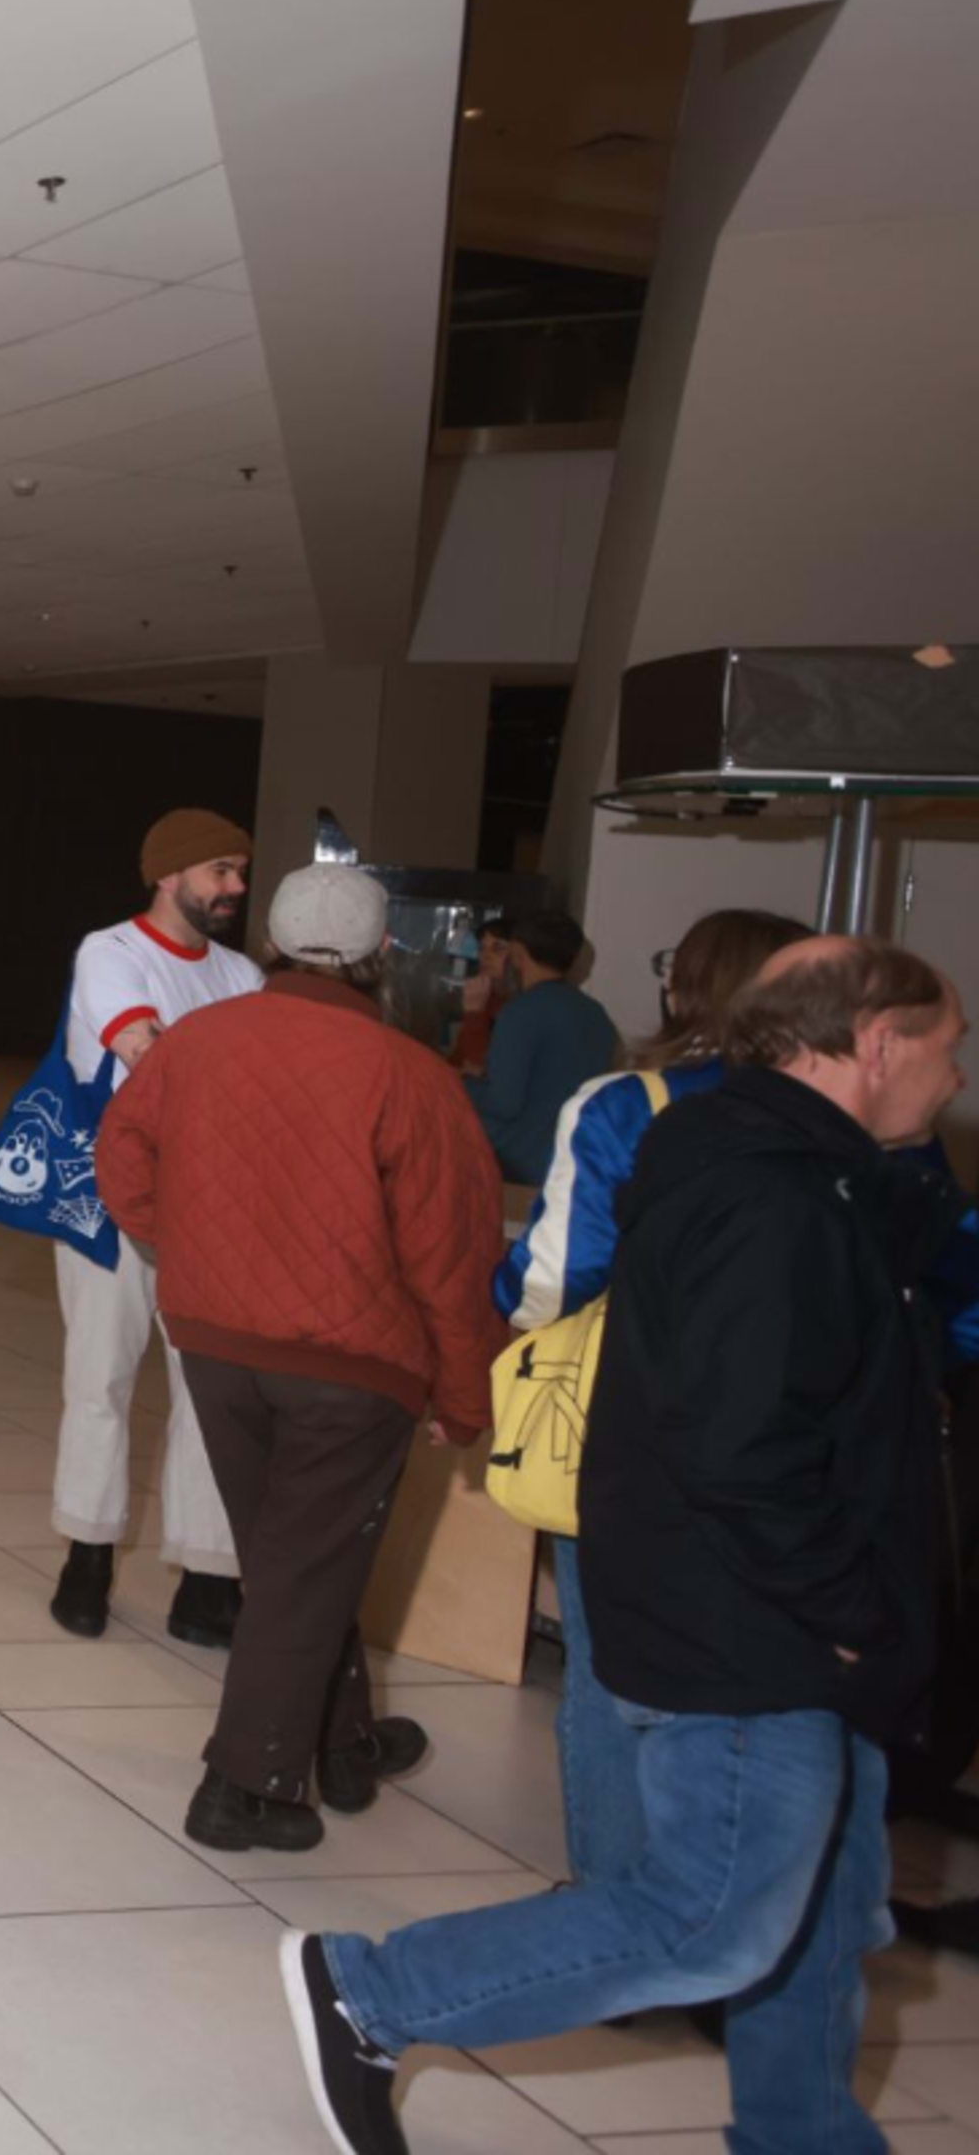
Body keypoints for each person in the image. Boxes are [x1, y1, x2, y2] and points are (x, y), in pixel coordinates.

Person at [286, 938, 968, 2155]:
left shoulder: (801, 1166)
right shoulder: (774, 1199)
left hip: (798, 1612)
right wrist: (849, 1616)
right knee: (709, 1917)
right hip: (763, 1627)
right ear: (876, 1044)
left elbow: (899, 1291)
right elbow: (740, 1450)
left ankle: (802, 2132)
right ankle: (372, 1992)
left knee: (821, 1909)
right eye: (945, 1044)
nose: (956, 1075)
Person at [98, 864, 501, 1856]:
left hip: (219, 1345)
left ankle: (342, 1740)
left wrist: (190, 1251)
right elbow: (452, 1257)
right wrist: (464, 1390)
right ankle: (244, 1784)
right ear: (380, 956)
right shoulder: (412, 1074)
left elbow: (120, 1162)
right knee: (302, 1568)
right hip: (353, 1367)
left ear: (272, 939)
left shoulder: (195, 1044)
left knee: (295, 1563)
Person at [497, 904, 811, 1889]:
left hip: (638, 1427)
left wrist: (502, 1295)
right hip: (795, 1430)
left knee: (608, 1661)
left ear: (689, 987)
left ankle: (621, 1901)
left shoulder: (631, 1103)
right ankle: (735, 1886)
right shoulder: (836, 1110)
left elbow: (556, 1276)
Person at [46, 807, 258, 1649]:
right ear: (167, 875)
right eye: (219, 872)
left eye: (240, 872)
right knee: (100, 1379)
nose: (235, 888)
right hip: (112, 1206)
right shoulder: (112, 952)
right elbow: (147, 1053)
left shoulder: (242, 974)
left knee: (213, 1391)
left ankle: (208, 1575)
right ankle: (87, 1557)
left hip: (210, 1212)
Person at [463, 909, 625, 1187]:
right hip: (571, 1162)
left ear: (518, 954)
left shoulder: (521, 1012)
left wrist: (459, 1081)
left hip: (517, 1165)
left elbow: (503, 1104)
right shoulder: (596, 1014)